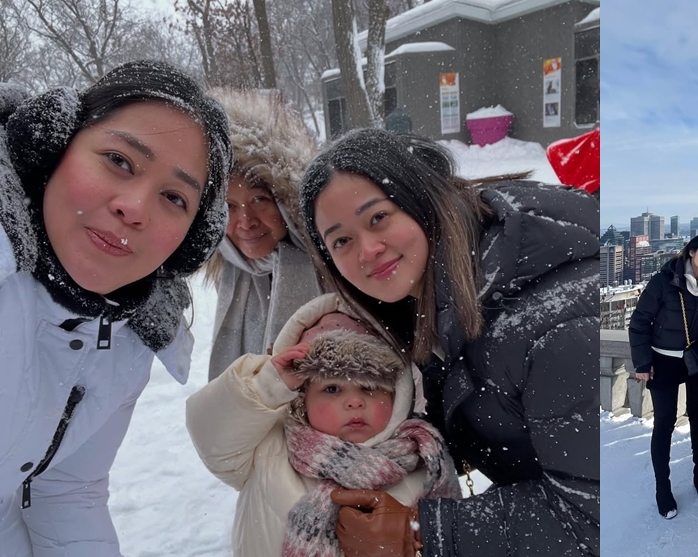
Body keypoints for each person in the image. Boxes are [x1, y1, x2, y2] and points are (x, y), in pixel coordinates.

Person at [297, 129, 599, 555]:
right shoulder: (438, 298)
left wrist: (418, 532)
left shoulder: (554, 322)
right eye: (341, 240)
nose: (367, 249)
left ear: (422, 201)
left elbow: (593, 518)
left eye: (378, 217)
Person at [0, 61, 231, 554]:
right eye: (120, 160)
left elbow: (66, 491)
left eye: (174, 197)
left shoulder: (127, 340)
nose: (135, 207)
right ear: (53, 145)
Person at [186, 293, 459, 557]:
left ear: (398, 393)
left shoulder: (423, 462)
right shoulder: (268, 446)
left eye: (369, 387)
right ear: (303, 397)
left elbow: (447, 540)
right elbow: (212, 437)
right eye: (331, 389)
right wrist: (268, 385)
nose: (354, 402)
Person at [204, 88, 324, 381]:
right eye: (230, 206)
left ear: (286, 202)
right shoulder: (233, 273)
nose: (245, 221)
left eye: (259, 200)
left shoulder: (331, 266)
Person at [629, 232, 698, 519]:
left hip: (696, 360)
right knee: (665, 422)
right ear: (691, 252)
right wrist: (643, 363)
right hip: (664, 361)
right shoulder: (664, 281)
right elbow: (639, 322)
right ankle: (662, 487)